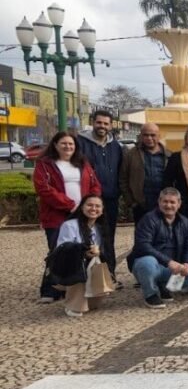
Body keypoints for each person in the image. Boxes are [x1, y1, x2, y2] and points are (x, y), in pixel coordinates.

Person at [33, 132, 102, 303]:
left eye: (71, 144)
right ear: (55, 144)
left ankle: (73, 285)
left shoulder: (82, 163)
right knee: (57, 251)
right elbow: (43, 188)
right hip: (56, 214)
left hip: (82, 214)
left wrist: (90, 203)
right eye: (63, 143)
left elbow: (95, 185)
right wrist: (70, 204)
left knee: (81, 249)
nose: (68, 147)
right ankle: (50, 289)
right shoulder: (45, 164)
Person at [128, 188, 188, 308]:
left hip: (174, 267)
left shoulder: (185, 222)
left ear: (179, 204)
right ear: (159, 201)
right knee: (147, 263)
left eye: (172, 202)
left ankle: (163, 286)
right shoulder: (148, 219)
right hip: (153, 264)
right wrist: (168, 262)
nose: (168, 205)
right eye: (165, 201)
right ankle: (151, 294)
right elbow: (143, 246)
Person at [76, 109, 123, 282]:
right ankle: (83, 276)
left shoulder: (115, 146)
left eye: (106, 123)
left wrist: (118, 192)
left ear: (111, 125)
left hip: (110, 199)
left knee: (108, 237)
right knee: (87, 237)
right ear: (93, 122)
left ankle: (109, 274)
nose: (102, 126)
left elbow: (120, 171)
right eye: (99, 122)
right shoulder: (81, 143)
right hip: (89, 200)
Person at [53, 195, 113, 317]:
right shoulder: (70, 225)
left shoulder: (100, 229)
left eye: (97, 206)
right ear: (81, 208)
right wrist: (83, 251)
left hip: (93, 261)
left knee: (98, 262)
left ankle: (92, 298)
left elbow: (106, 251)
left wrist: (98, 253)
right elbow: (63, 249)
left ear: (102, 211)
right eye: (89, 205)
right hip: (70, 263)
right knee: (80, 263)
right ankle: (73, 304)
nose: (93, 208)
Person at [121, 123, 168, 223]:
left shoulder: (168, 155)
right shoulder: (131, 155)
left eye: (153, 135)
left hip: (163, 205)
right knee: (142, 236)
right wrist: (131, 202)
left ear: (159, 136)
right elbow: (123, 179)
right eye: (146, 135)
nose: (149, 138)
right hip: (140, 205)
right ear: (141, 136)